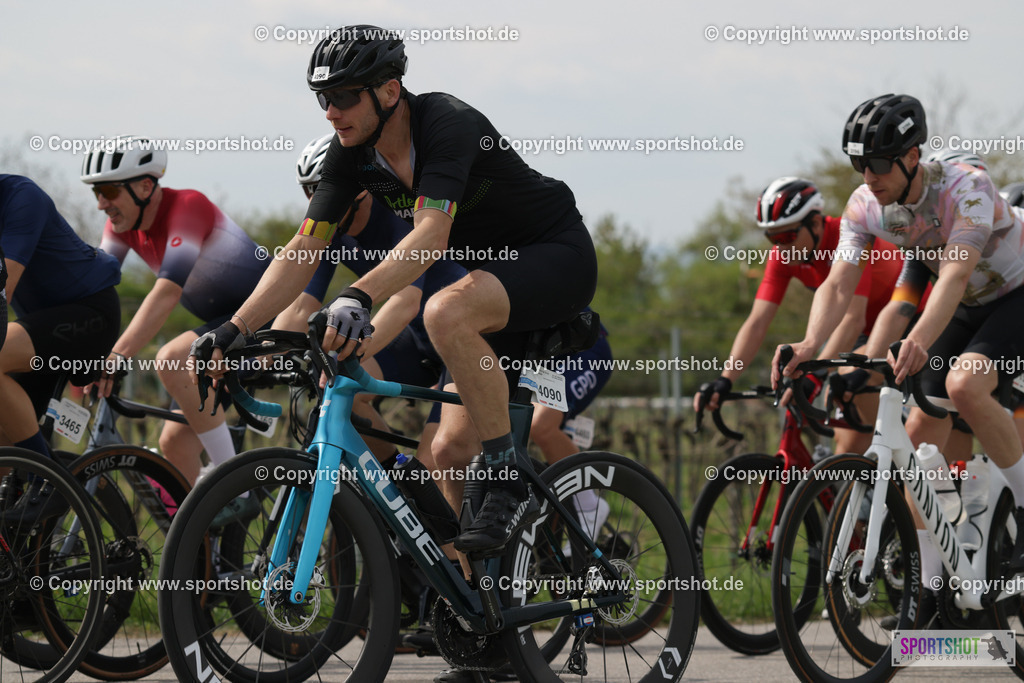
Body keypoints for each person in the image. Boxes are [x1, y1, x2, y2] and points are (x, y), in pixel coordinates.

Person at [191, 24, 596, 562]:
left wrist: (357, 294)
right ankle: (476, 600)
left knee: (443, 311)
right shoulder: (352, 154)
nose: (330, 112)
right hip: (493, 283)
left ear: (388, 90)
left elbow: (431, 235)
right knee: (448, 450)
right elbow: (304, 247)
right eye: (321, 99)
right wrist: (234, 329)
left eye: (342, 97)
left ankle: (508, 478)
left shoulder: (447, 123)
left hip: (555, 255)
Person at [773, 94, 1024, 606]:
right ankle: (929, 589)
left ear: (912, 157)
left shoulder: (966, 188)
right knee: (918, 434)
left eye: (879, 164)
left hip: (1015, 292)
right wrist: (809, 343)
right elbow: (838, 283)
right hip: (969, 304)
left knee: (964, 384)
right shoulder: (866, 205)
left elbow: (954, 275)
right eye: (859, 165)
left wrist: (917, 341)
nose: (869, 177)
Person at [81, 138, 268, 485]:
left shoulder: (187, 206)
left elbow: (167, 292)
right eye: (96, 192)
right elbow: (92, 289)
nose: (101, 204)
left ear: (145, 186)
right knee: (174, 444)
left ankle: (236, 491)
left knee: (172, 358)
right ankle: (202, 521)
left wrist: (118, 354)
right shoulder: (121, 225)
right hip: (222, 329)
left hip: (263, 316)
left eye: (108, 191)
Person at [695, 177, 917, 454]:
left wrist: (817, 373)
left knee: (851, 374)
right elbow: (757, 322)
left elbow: (852, 319)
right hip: (865, 332)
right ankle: (891, 461)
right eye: (773, 238)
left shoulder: (848, 237)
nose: (780, 247)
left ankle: (909, 448)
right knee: (847, 448)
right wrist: (726, 379)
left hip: (908, 318)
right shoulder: (783, 257)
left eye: (787, 237)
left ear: (815, 224)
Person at [0, 174, 122, 513]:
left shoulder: (21, 197)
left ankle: (46, 480)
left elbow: (3, 290)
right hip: (43, 333)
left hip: (90, 313)